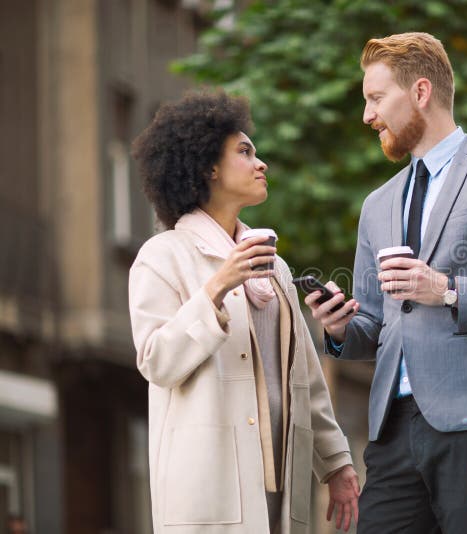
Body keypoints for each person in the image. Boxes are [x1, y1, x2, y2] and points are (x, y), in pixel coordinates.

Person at [306, 32, 467, 533]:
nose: (368, 116)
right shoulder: (377, 205)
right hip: (391, 435)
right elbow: (375, 325)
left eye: (376, 98)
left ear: (421, 92)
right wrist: (341, 328)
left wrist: (448, 289)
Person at [129, 91, 360, 534]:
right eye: (245, 151)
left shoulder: (273, 266)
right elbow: (156, 360)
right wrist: (216, 287)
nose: (261, 163)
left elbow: (305, 378)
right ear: (207, 169)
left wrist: (336, 464)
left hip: (277, 489)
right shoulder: (163, 256)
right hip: (209, 493)